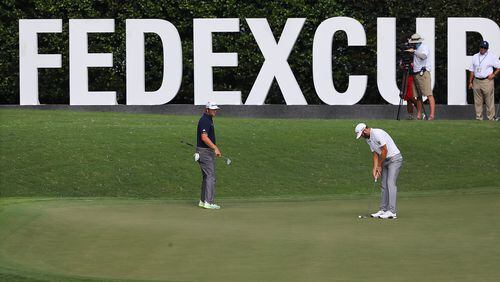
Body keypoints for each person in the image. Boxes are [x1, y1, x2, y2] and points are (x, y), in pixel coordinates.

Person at [355, 123, 403, 219]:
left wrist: (379, 166)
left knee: (390, 183)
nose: (362, 137)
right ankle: (383, 210)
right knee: (384, 184)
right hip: (384, 160)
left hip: (395, 159)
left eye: (362, 135)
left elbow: (384, 150)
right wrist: (375, 168)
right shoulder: (368, 139)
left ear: (365, 130)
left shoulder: (377, 133)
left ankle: (392, 212)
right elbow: (375, 154)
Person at [196, 101, 222, 209]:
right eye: (213, 109)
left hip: (204, 151)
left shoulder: (208, 119)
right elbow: (204, 137)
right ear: (207, 109)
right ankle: (208, 202)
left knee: (207, 177)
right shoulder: (205, 120)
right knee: (210, 177)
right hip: (205, 152)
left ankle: (203, 201)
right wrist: (215, 148)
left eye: (216, 109)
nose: (215, 111)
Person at [406, 33, 435, 120]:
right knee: (418, 95)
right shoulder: (417, 48)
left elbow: (423, 56)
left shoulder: (423, 47)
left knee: (429, 94)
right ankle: (419, 115)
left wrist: (414, 52)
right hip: (416, 73)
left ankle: (432, 115)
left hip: (423, 72)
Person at [468, 40, 500, 121]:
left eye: (484, 48)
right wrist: (470, 82)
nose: (482, 49)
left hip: (487, 81)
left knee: (489, 100)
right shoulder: (475, 56)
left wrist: (494, 74)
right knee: (477, 101)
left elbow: (499, 67)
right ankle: (479, 118)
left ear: (487, 49)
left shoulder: (491, 56)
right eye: (481, 47)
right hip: (476, 80)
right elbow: (472, 70)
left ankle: (491, 118)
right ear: (479, 47)